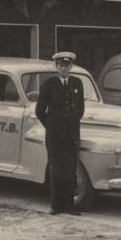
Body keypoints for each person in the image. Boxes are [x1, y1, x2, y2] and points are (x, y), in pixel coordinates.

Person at [35, 51, 85, 216]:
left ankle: (69, 205)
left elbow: (80, 109)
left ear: (71, 66)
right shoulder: (49, 84)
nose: (64, 68)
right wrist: (51, 126)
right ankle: (56, 206)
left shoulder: (77, 83)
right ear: (56, 67)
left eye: (67, 65)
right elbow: (40, 110)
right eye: (60, 65)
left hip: (71, 135)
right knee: (56, 170)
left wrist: (71, 124)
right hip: (55, 135)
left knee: (70, 170)